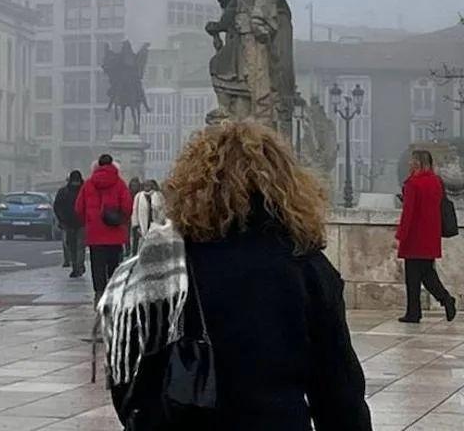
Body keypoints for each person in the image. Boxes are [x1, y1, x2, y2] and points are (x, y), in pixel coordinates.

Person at [100, 120, 371, 430]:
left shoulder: (162, 267)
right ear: (285, 185)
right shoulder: (306, 266)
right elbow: (339, 392)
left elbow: (129, 379)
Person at [396, 149, 457, 324]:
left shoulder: (413, 184)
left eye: (412, 161)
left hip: (415, 236)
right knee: (426, 273)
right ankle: (435, 303)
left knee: (414, 277)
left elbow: (409, 213)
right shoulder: (436, 182)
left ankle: (422, 309)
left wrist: (401, 235)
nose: (409, 163)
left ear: (417, 163)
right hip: (430, 234)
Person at [75, 154, 132, 299]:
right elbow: (127, 206)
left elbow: (79, 208)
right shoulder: (120, 184)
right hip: (115, 233)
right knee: (114, 264)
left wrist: (88, 221)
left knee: (97, 265)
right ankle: (113, 293)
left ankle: (99, 293)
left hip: (95, 233)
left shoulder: (88, 184)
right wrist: (122, 221)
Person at [54, 170, 85, 277]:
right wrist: (62, 220)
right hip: (72, 223)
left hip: (78, 223)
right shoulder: (66, 191)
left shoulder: (65, 191)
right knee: (74, 246)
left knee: (77, 246)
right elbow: (57, 207)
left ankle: (77, 267)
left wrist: (62, 219)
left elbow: (57, 207)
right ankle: (77, 266)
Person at [131, 178, 165, 252]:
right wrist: (136, 225)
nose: (147, 187)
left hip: (155, 224)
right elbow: (134, 211)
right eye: (145, 185)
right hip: (142, 224)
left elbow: (162, 210)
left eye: (149, 185)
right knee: (143, 245)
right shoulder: (139, 196)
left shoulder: (158, 195)